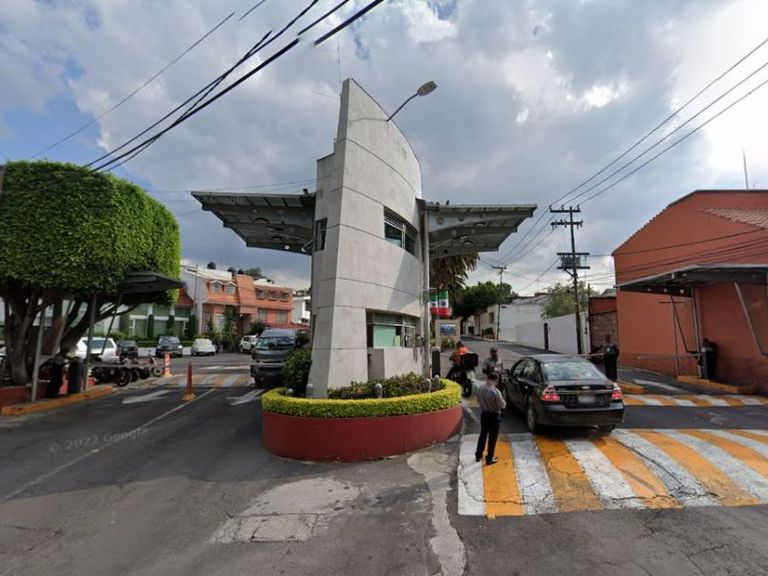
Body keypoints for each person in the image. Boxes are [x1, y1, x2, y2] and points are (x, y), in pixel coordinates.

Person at [475, 372, 506, 465]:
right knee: (492, 438)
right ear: (496, 380)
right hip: (494, 416)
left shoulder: (480, 388)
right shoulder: (495, 392)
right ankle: (489, 458)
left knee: (483, 434)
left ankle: (478, 455)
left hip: (484, 414)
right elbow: (502, 405)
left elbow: (478, 400)